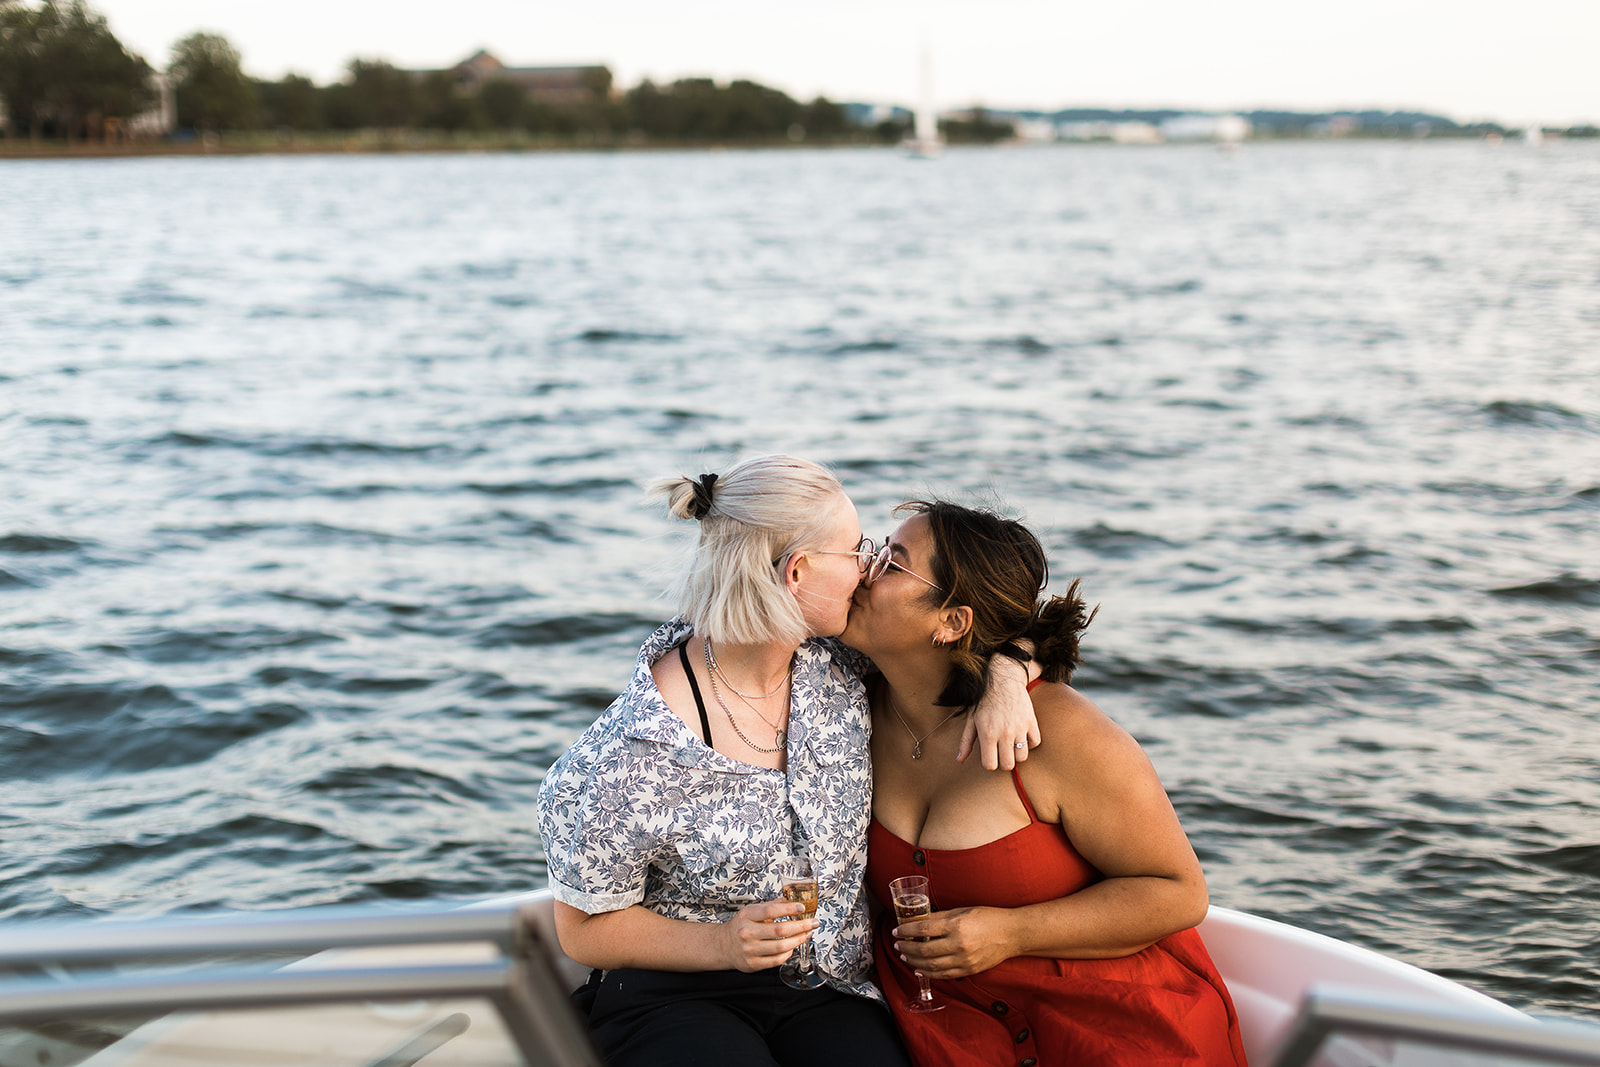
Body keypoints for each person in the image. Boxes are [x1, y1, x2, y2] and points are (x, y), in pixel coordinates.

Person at [535, 457, 1036, 1067]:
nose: (871, 565)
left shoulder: (846, 664)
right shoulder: (622, 759)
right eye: (857, 550)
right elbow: (583, 929)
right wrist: (724, 942)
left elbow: (1003, 625)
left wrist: (1007, 676)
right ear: (798, 572)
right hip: (676, 994)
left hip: (831, 987)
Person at [842, 500, 1248, 1067]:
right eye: (877, 548)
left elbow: (1179, 891)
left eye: (892, 562)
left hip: (1112, 1028)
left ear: (953, 621)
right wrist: (1013, 661)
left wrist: (1012, 932)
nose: (863, 567)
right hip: (950, 1029)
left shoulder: (1059, 734)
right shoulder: (843, 698)